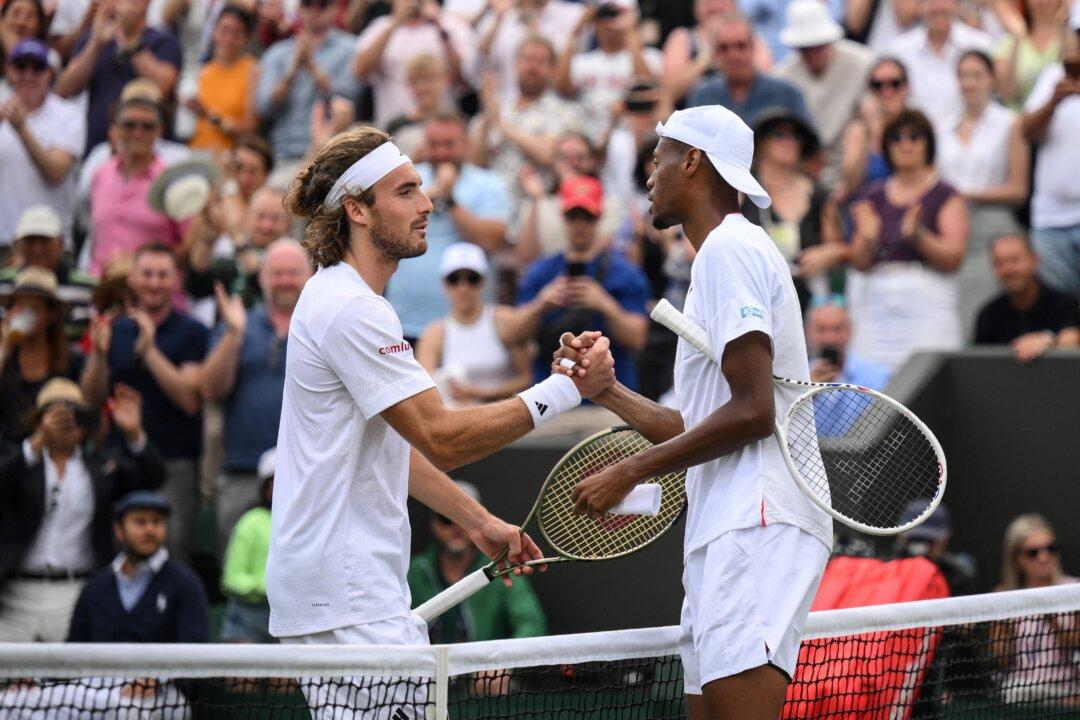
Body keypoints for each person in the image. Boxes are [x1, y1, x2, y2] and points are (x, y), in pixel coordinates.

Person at [267, 125, 611, 718]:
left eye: (423, 188)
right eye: (405, 191)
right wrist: (565, 389)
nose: (427, 204)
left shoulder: (340, 297)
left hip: (342, 595)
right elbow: (442, 438)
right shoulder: (351, 308)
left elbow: (390, 451)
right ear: (357, 210)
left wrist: (475, 520)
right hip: (350, 602)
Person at [562, 105, 832, 720]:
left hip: (757, 517)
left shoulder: (729, 250)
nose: (650, 175)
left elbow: (754, 413)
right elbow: (707, 423)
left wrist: (632, 471)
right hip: (724, 524)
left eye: (659, 159)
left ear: (692, 162)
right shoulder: (716, 256)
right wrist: (608, 392)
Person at [0, 379, 163, 642]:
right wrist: (38, 440)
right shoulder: (19, 461)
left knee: (75, 681)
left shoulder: (101, 467)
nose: (67, 420)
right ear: (39, 419)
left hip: (75, 593)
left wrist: (133, 433)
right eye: (56, 413)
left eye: (75, 413)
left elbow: (153, 477)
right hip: (13, 597)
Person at [80, 244, 209, 565]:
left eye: (163, 275)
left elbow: (190, 400)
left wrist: (149, 350)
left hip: (173, 463)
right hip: (120, 461)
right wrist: (97, 355)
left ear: (176, 280)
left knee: (171, 557)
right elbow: (89, 401)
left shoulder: (192, 331)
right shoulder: (114, 329)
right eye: (147, 274)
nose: (154, 283)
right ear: (133, 279)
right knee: (115, 559)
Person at [201, 240, 312, 556]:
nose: (285, 281)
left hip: (307, 471)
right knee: (239, 570)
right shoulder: (239, 324)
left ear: (310, 276)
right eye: (277, 273)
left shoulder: (322, 325)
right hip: (243, 472)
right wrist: (233, 336)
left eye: (293, 273)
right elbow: (210, 389)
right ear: (262, 278)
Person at [847, 109, 968, 372]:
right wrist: (868, 237)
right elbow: (859, 262)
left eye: (914, 137)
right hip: (878, 303)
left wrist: (919, 237)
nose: (906, 144)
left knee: (927, 382)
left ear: (928, 144)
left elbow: (954, 258)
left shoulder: (945, 194)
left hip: (927, 301)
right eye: (897, 138)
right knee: (871, 387)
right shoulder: (873, 195)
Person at [384, 112, 511, 343]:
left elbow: (492, 240)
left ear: (466, 144)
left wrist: (450, 199)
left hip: (468, 325)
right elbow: (385, 230)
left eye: (449, 145)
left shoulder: (488, 183)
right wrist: (428, 197)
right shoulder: (407, 179)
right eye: (434, 145)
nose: (441, 152)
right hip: (403, 323)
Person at [514, 175, 649, 391]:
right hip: (551, 397)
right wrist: (542, 304)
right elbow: (514, 334)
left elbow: (637, 339)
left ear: (599, 217)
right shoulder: (542, 272)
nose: (579, 225)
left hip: (611, 398)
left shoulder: (624, 273)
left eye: (587, 217)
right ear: (563, 217)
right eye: (572, 217)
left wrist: (605, 305)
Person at [938, 50, 1030, 333]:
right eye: (963, 75)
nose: (969, 83)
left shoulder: (1010, 122)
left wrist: (965, 195)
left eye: (976, 75)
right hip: (952, 229)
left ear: (990, 79)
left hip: (992, 225)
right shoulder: (942, 125)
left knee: (988, 310)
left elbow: (1018, 188)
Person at [408, 480, 546, 644]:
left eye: (464, 520)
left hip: (483, 668)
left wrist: (501, 662)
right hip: (422, 668)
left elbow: (532, 624)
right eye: (446, 519)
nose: (456, 528)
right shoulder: (412, 572)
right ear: (433, 524)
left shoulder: (500, 570)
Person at [67, 490, 209, 642]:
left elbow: (194, 650)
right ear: (119, 530)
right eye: (140, 522)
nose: (150, 530)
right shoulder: (95, 588)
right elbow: (74, 651)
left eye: (157, 522)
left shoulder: (185, 584)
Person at [742, 108, 847, 313]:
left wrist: (827, 254)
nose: (789, 141)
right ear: (761, 142)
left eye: (796, 136)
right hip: (753, 297)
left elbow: (840, 248)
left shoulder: (818, 193)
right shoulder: (741, 189)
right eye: (780, 134)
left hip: (808, 300)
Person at [54, 0, 181, 153]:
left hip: (150, 152)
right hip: (99, 149)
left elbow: (163, 86)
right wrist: (96, 42)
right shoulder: (94, 38)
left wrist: (131, 39)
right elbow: (65, 88)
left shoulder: (164, 40)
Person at [471, 35, 583, 208]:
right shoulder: (497, 110)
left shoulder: (564, 112)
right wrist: (487, 120)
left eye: (540, 62)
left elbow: (548, 154)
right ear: (515, 64)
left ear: (552, 69)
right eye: (527, 59)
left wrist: (501, 124)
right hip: (491, 208)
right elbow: (474, 165)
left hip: (533, 206)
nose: (532, 67)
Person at [416, 243, 533, 406]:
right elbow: (423, 392)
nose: (463, 287)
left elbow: (526, 379)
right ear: (444, 284)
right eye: (454, 279)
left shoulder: (504, 320)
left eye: (472, 279)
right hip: (458, 421)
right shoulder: (434, 333)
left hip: (503, 416)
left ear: (483, 282)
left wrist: (482, 394)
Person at [774, 0, 874, 188]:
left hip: (854, 162)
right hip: (803, 167)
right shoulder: (782, 76)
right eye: (805, 47)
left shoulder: (862, 63)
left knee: (858, 130)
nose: (812, 52)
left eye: (818, 44)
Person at [0, 39, 85, 255]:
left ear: (49, 74)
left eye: (37, 68)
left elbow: (54, 172)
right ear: (9, 71)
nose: (28, 75)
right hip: (3, 238)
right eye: (21, 67)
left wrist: (22, 130)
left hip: (49, 244)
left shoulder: (69, 116)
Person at [87, 97, 187, 278]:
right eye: (129, 125)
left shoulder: (171, 183)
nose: (138, 133)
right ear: (116, 128)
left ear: (160, 131)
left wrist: (140, 262)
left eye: (147, 126)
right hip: (101, 288)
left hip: (152, 291)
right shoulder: (100, 175)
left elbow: (188, 248)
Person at [255, 0, 358, 171]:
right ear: (299, 9)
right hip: (284, 154)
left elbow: (349, 98)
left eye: (322, 5)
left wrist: (311, 66)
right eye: (308, 4)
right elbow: (264, 107)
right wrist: (293, 71)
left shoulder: (350, 48)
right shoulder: (277, 52)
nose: (314, 10)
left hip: (334, 154)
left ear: (336, 9)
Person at [990, 513, 1079, 705]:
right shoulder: (1004, 595)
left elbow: (1075, 643)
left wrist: (1050, 613)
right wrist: (1007, 623)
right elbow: (1002, 659)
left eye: (1050, 548)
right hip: (1020, 692)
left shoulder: (1074, 590)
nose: (1044, 557)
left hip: (1066, 692)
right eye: (1033, 552)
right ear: (1016, 558)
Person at [1021, 12, 1080, 299]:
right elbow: (1027, 133)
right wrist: (1053, 103)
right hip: (1052, 221)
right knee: (1060, 316)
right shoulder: (1053, 77)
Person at [354, 0, 475, 129]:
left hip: (443, 130)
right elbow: (360, 71)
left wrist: (439, 24)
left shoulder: (452, 25)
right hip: (393, 129)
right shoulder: (379, 27)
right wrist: (395, 22)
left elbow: (465, 80)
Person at [554, 0, 662, 143]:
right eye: (603, 16)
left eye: (617, 14)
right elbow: (562, 89)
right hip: (588, 138)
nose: (609, 21)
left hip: (630, 137)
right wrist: (576, 32)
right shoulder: (583, 61)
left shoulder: (650, 56)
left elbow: (646, 87)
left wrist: (629, 32)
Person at [0, 267, 85, 448]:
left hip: (54, 452)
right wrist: (5, 347)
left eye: (33, 308)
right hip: (7, 457)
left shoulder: (71, 360)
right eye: (19, 307)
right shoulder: (6, 356)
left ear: (50, 314)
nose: (24, 315)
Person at [688, 14, 811, 128]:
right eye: (724, 48)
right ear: (714, 54)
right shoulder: (703, 96)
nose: (733, 55)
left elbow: (812, 147)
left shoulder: (786, 94)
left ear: (753, 47)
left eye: (741, 46)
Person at [974, 234, 1080, 362]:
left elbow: (1072, 340)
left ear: (1034, 260)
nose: (1008, 269)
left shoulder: (1064, 303)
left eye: (1015, 260)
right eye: (1000, 263)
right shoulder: (988, 316)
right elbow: (980, 364)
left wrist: (1049, 340)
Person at [888, 0, 993, 129]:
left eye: (945, 1)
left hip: (969, 138)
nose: (938, 7)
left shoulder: (981, 44)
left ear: (956, 5)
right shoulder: (899, 50)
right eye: (930, 1)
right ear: (919, 6)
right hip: (916, 137)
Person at [0, 206, 96, 346]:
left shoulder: (87, 289)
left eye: (45, 241)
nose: (38, 248)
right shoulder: (3, 284)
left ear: (61, 244)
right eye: (31, 240)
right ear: (18, 244)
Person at [661, 0, 773, 105]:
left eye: (722, 1)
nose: (715, 5)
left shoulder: (748, 36)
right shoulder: (683, 37)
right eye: (708, 2)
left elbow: (766, 79)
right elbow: (667, 93)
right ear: (696, 8)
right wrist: (704, 60)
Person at [475, 0, 585, 103]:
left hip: (548, 108)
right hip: (507, 105)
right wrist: (498, 18)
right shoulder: (501, 17)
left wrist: (531, 23)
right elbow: (474, 70)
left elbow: (560, 72)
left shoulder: (572, 14)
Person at [219, 447, 275, 643]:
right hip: (248, 620)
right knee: (242, 673)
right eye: (275, 481)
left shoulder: (307, 523)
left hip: (292, 617)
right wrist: (269, 587)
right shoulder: (250, 522)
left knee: (290, 672)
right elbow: (232, 579)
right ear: (265, 489)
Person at [187, 5, 260, 153]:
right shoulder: (204, 73)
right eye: (224, 30)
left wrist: (212, 117)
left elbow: (250, 130)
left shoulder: (252, 70)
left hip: (230, 155)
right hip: (195, 150)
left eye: (236, 33)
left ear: (246, 38)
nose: (229, 39)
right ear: (214, 32)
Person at [838, 57, 912, 200]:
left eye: (895, 84)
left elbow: (911, 174)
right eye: (878, 85)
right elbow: (851, 182)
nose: (887, 91)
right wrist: (872, 131)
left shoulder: (917, 127)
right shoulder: (859, 130)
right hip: (865, 208)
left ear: (907, 87)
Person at [994, 0, 1070, 109]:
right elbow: (1007, 93)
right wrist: (1017, 38)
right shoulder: (1007, 42)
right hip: (1020, 121)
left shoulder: (1070, 37)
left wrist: (1064, 25)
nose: (1043, 2)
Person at [804, 297, 891, 390]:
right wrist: (806, 391)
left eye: (837, 329)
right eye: (821, 329)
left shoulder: (876, 378)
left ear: (849, 330)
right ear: (807, 331)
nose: (830, 339)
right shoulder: (796, 378)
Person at [892, 502, 977, 596]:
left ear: (944, 539)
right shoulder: (882, 570)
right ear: (901, 536)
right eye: (916, 539)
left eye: (930, 541)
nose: (922, 548)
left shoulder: (958, 577)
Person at [386, 53, 452, 158]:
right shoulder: (396, 126)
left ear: (444, 80)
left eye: (429, 80)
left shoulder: (455, 122)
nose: (423, 88)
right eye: (416, 81)